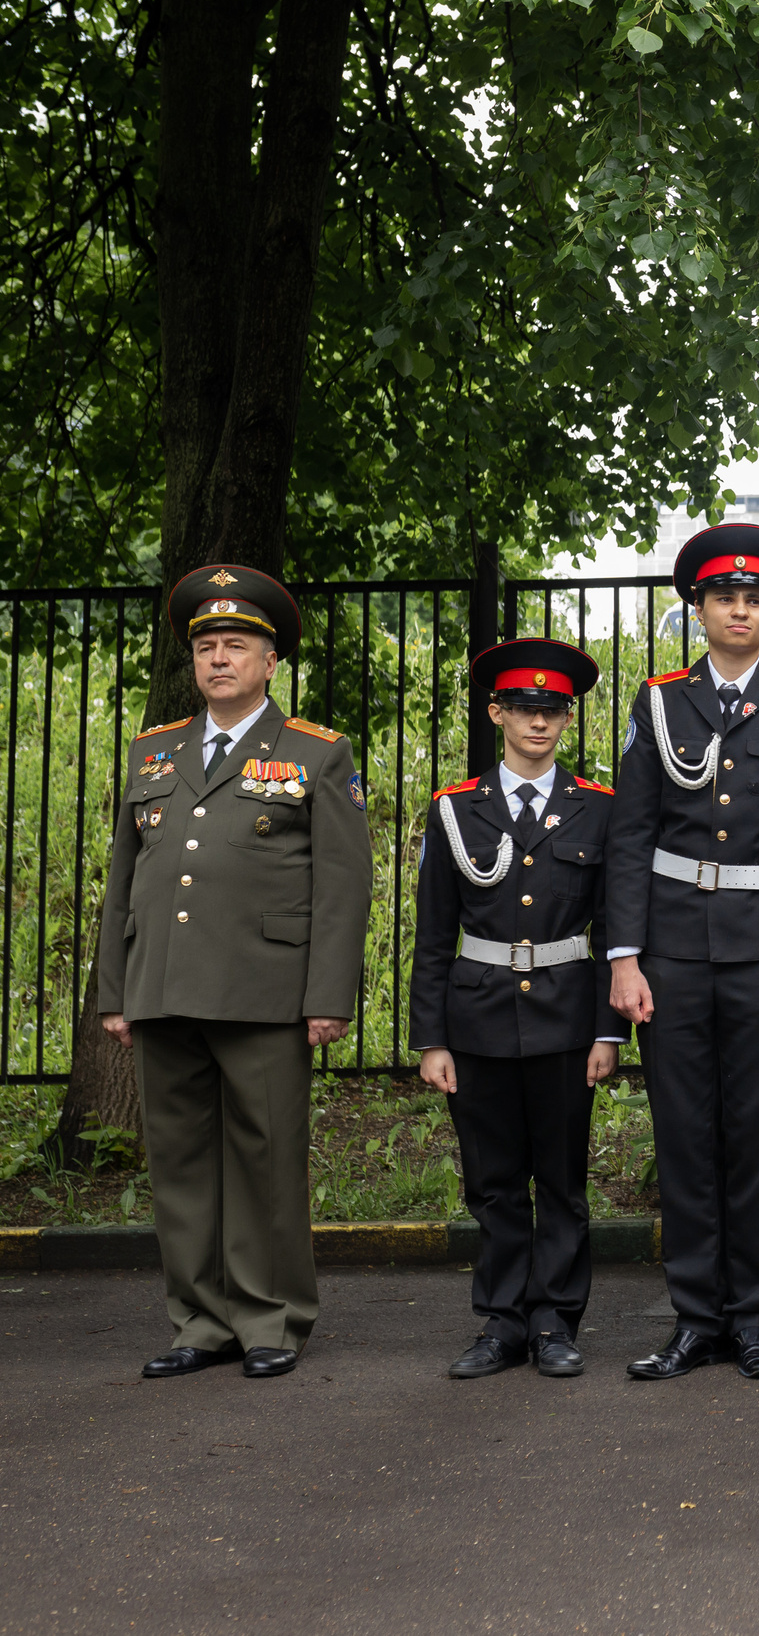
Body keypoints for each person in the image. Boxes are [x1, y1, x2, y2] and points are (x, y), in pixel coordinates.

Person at [96, 564, 372, 1380]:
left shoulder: (315, 753)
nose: (220, 659)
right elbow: (123, 882)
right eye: (208, 646)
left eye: (238, 645)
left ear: (270, 661)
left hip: (264, 992)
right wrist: (116, 990)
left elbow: (343, 886)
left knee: (265, 1158)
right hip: (165, 987)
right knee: (179, 1161)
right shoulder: (153, 752)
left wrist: (328, 996)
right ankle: (200, 1320)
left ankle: (269, 1318)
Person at [607, 522, 759, 1381]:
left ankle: (750, 1314)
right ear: (697, 608)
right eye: (723, 596)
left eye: (755, 598)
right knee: (686, 1139)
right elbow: (631, 835)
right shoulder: (658, 703)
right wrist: (625, 957)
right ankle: (694, 1318)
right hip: (670, 950)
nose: (740, 609)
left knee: (755, 1137)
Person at [411, 638, 625, 1378]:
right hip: (477, 1018)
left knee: (561, 1176)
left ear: (568, 718)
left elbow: (613, 925)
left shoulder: (597, 808)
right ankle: (502, 1320)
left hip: (568, 1016)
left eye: (554, 709)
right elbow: (434, 935)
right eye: (525, 707)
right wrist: (430, 1039)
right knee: (493, 1179)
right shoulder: (453, 807)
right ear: (496, 711)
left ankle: (555, 1320)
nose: (540, 721)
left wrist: (609, 1028)